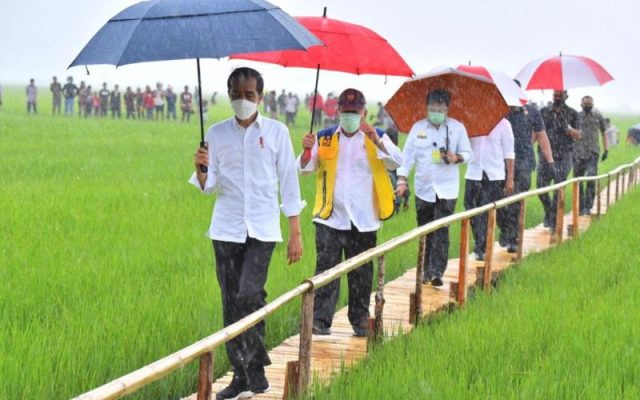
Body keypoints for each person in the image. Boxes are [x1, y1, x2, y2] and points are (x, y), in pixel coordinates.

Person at [191, 67, 304, 400]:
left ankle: (255, 365)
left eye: (249, 95)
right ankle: (243, 376)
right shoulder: (215, 133)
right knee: (230, 303)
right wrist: (201, 170)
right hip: (226, 229)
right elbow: (208, 187)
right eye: (236, 95)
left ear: (261, 97)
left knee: (249, 295)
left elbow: (289, 181)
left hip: (263, 228)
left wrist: (295, 230)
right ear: (229, 95)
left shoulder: (276, 132)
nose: (243, 101)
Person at [299, 88, 402, 337]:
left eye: (355, 113)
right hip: (330, 217)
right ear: (337, 112)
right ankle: (319, 321)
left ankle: (360, 320)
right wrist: (305, 150)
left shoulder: (377, 136)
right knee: (326, 270)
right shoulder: (324, 138)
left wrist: (377, 141)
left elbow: (397, 161)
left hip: (364, 218)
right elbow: (304, 168)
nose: (350, 117)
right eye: (346, 112)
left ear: (364, 113)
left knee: (361, 272)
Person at [396, 88, 472, 287]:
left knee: (441, 229)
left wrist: (457, 157)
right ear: (426, 107)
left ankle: (437, 270)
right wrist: (402, 181)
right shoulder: (418, 129)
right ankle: (425, 269)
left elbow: (467, 152)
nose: (436, 112)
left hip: (447, 189)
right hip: (424, 188)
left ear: (447, 109)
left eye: (440, 109)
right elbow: (407, 157)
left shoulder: (457, 128)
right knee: (425, 229)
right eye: (432, 108)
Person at [497, 91, 555, 252]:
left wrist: (550, 161)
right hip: (500, 162)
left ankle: (513, 237)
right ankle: (506, 230)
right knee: (498, 199)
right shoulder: (499, 111)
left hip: (524, 162)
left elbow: (542, 136)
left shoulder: (531, 112)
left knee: (516, 199)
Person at [464, 118, 515, 260]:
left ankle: (482, 246)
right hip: (473, 173)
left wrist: (510, 178)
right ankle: (482, 240)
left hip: (493, 175)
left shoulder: (504, 125)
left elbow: (509, 154)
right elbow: (465, 148)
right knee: (470, 209)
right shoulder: (472, 122)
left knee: (486, 211)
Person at [538, 90, 581, 231]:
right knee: (540, 187)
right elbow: (537, 131)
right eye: (555, 96)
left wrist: (569, 129)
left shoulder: (573, 114)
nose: (557, 98)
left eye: (560, 96)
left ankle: (554, 220)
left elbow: (579, 135)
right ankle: (549, 212)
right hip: (545, 155)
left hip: (564, 155)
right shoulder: (544, 112)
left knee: (558, 186)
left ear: (566, 97)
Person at [574, 96, 608, 216]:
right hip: (578, 153)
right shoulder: (576, 116)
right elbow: (571, 132)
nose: (587, 106)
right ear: (581, 104)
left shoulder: (598, 116)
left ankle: (588, 206)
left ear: (593, 104)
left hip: (593, 152)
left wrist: (606, 150)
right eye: (585, 104)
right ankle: (579, 205)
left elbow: (603, 133)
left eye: (589, 104)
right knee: (578, 180)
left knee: (591, 177)